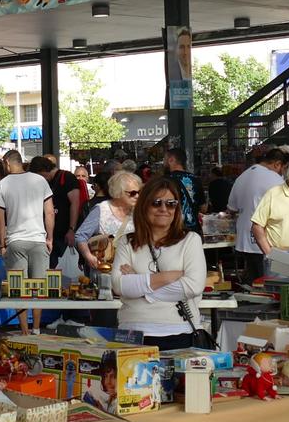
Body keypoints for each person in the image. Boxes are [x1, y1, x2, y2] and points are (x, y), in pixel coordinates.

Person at [109, 174, 209, 349]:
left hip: (179, 333)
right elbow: (119, 286)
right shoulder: (127, 242)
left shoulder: (190, 240)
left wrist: (140, 283)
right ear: (144, 206)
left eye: (171, 204)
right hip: (132, 334)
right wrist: (168, 277)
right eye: (156, 203)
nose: (164, 209)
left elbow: (193, 286)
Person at [0, 149, 55, 277]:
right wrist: (49, 238)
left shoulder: (3, 184)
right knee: (40, 288)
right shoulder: (40, 180)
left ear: (7, 163)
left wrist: (2, 245)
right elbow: (49, 213)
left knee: (18, 289)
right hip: (38, 240)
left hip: (15, 242)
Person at [228, 146, 287, 280]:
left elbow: (231, 209)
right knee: (269, 280)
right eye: (282, 169)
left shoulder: (242, 176)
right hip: (265, 239)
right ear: (277, 164)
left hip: (244, 238)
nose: (281, 173)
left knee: (253, 279)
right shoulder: (275, 179)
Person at [74, 169, 141, 280]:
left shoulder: (139, 213)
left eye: (139, 192)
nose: (137, 196)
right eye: (132, 193)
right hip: (104, 273)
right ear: (118, 192)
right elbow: (80, 236)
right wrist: (88, 256)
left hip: (131, 274)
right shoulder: (102, 210)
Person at [163, 147, 200, 217]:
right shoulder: (195, 179)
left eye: (165, 159)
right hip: (192, 225)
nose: (164, 162)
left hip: (173, 224)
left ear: (171, 160)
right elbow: (203, 207)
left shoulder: (165, 180)